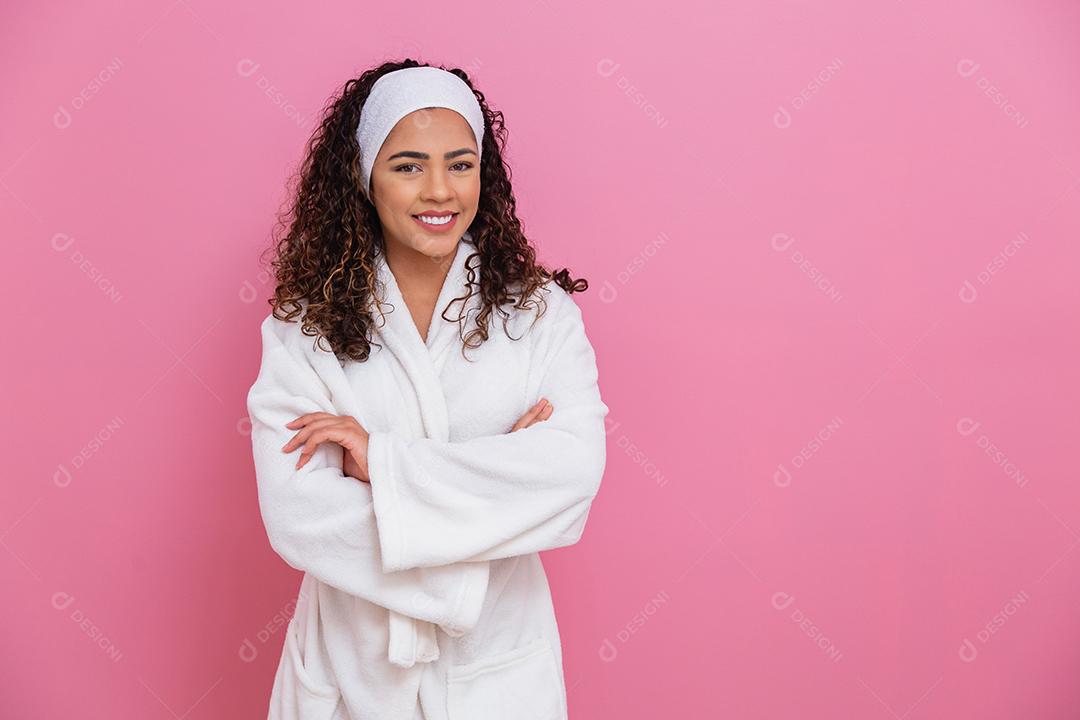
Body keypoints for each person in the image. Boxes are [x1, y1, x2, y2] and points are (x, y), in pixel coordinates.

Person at [246, 60, 609, 720]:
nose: (439, 190)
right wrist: (495, 492)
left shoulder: (539, 315)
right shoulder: (302, 325)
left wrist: (380, 466)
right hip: (350, 673)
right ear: (365, 177)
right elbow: (299, 516)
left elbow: (570, 476)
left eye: (460, 164)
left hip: (498, 676)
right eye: (408, 166)